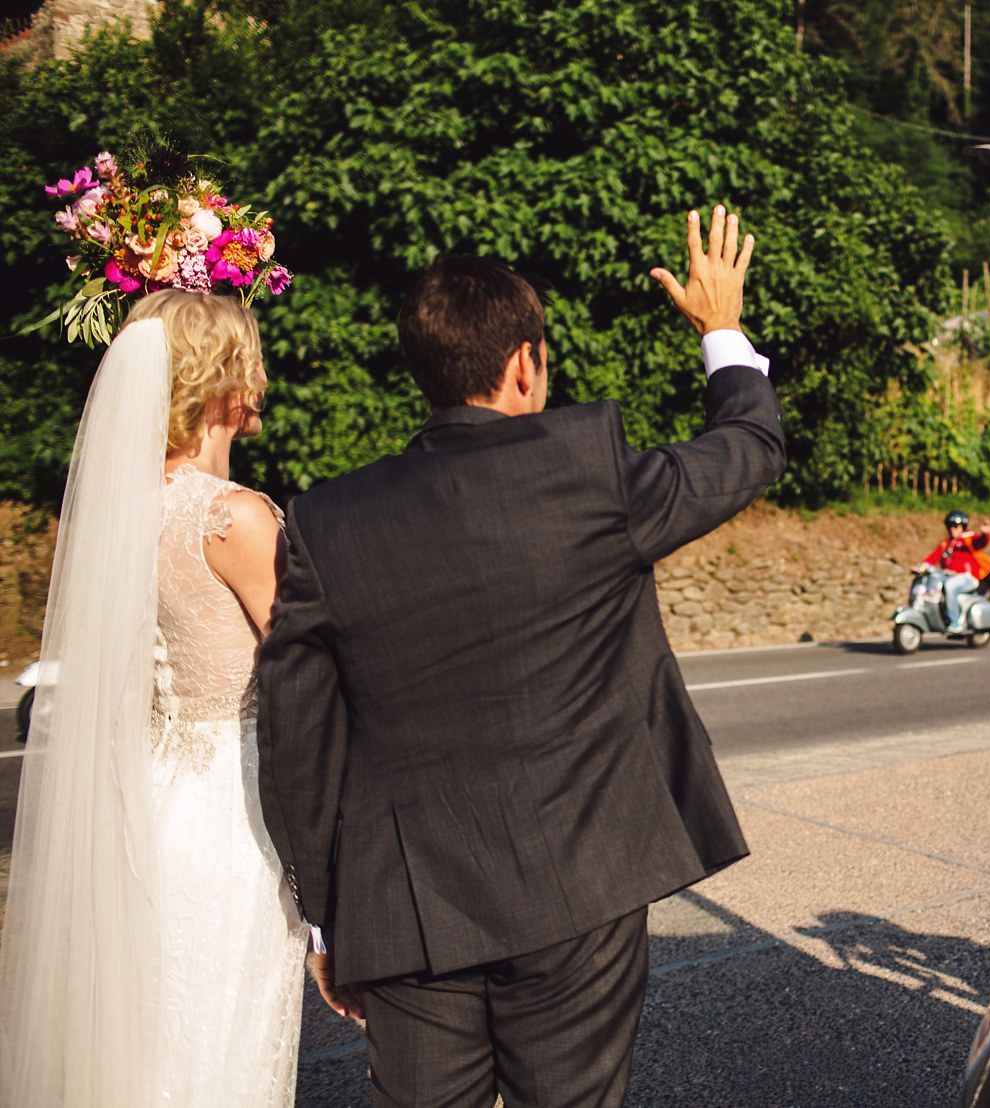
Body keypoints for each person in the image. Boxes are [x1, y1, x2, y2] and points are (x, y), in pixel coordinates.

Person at [256, 205, 785, 1107]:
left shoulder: (325, 522)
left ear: (425, 373)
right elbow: (749, 448)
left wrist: (326, 919)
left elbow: (297, 741)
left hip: (407, 908)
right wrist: (722, 327)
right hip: (580, 878)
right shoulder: (590, 472)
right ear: (523, 365)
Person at [0, 290, 306, 1105]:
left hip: (151, 796)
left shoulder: (116, 512)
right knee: (221, 1039)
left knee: (154, 1034)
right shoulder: (232, 520)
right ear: (222, 380)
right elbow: (310, 670)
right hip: (233, 815)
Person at [920, 509, 990, 632]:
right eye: (950, 526)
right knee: (931, 583)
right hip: (948, 575)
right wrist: (921, 566)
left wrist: (986, 534)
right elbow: (933, 557)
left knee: (950, 586)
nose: (952, 529)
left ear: (962, 527)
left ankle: (955, 622)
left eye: (955, 526)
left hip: (968, 577)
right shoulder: (946, 544)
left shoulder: (968, 539)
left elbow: (981, 542)